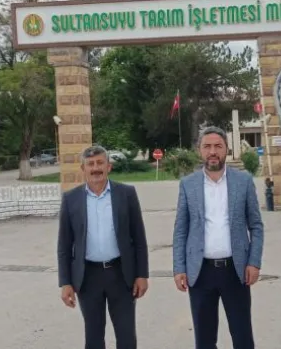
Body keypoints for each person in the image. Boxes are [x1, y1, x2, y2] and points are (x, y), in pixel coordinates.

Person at [172, 126, 265, 349]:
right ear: (199, 150)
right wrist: (179, 268)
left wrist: (254, 262)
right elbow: (181, 229)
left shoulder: (243, 181)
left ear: (227, 149)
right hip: (200, 272)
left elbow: (256, 226)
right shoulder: (188, 184)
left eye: (218, 146)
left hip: (236, 270)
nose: (212, 151)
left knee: (242, 336)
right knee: (204, 340)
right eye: (207, 146)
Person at [56, 145, 150, 349]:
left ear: (109, 166)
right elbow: (64, 245)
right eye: (90, 164)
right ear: (83, 168)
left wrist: (142, 275)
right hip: (87, 278)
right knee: (93, 337)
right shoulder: (71, 199)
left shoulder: (126, 194)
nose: (95, 168)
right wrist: (65, 282)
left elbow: (139, 238)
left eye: (100, 163)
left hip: (121, 274)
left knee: (126, 335)